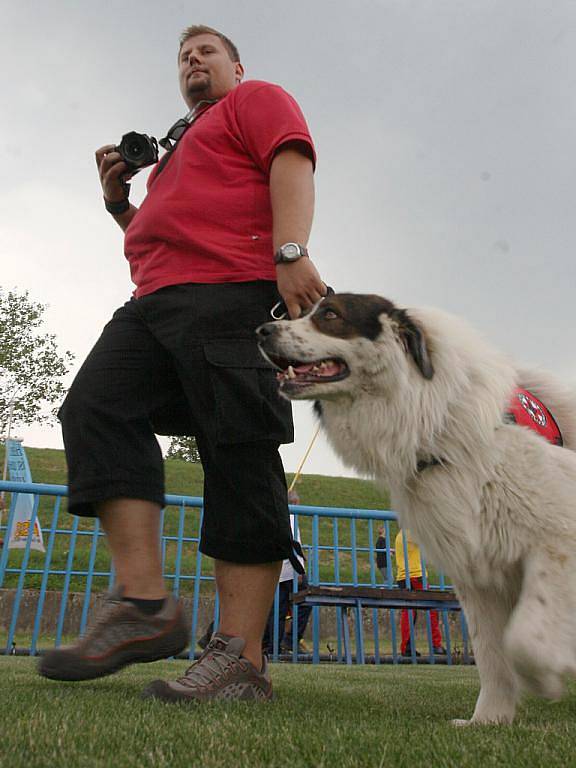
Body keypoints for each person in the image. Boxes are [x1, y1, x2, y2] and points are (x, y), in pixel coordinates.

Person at [38, 24, 326, 703]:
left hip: (232, 294)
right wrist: (119, 205)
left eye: (206, 52)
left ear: (236, 65)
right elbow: (160, 233)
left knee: (240, 447)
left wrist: (291, 252)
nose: (193, 60)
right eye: (183, 56)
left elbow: (293, 159)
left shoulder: (255, 99)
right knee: (94, 407)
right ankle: (143, 605)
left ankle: (240, 657)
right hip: (154, 303)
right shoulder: (174, 151)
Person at [262, 489, 312, 655]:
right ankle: (290, 640)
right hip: (291, 570)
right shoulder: (292, 518)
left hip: (277, 572)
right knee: (306, 601)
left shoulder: (275, 516)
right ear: (295, 503)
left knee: (278, 609)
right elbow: (294, 545)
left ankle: (272, 646)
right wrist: (299, 570)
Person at [394, 529, 445, 657]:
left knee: (409, 610)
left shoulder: (400, 535)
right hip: (416, 575)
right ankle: (436, 644)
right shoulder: (411, 531)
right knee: (432, 608)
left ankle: (406, 646)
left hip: (402, 576)